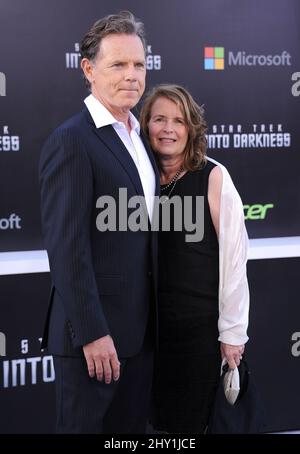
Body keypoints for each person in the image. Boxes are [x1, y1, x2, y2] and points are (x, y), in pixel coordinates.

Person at [39, 11, 159, 434]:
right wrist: (93, 334)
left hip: (141, 339)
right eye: (118, 65)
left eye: (139, 64)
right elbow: (67, 250)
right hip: (94, 343)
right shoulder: (73, 140)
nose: (132, 75)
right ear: (88, 69)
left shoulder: (139, 138)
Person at [140, 84, 249, 434]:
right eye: (159, 119)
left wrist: (232, 331)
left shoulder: (212, 175)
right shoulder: (138, 177)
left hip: (198, 333)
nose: (168, 129)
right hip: (146, 332)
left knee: (192, 424)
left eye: (179, 120)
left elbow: (234, 257)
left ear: (191, 128)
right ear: (146, 126)